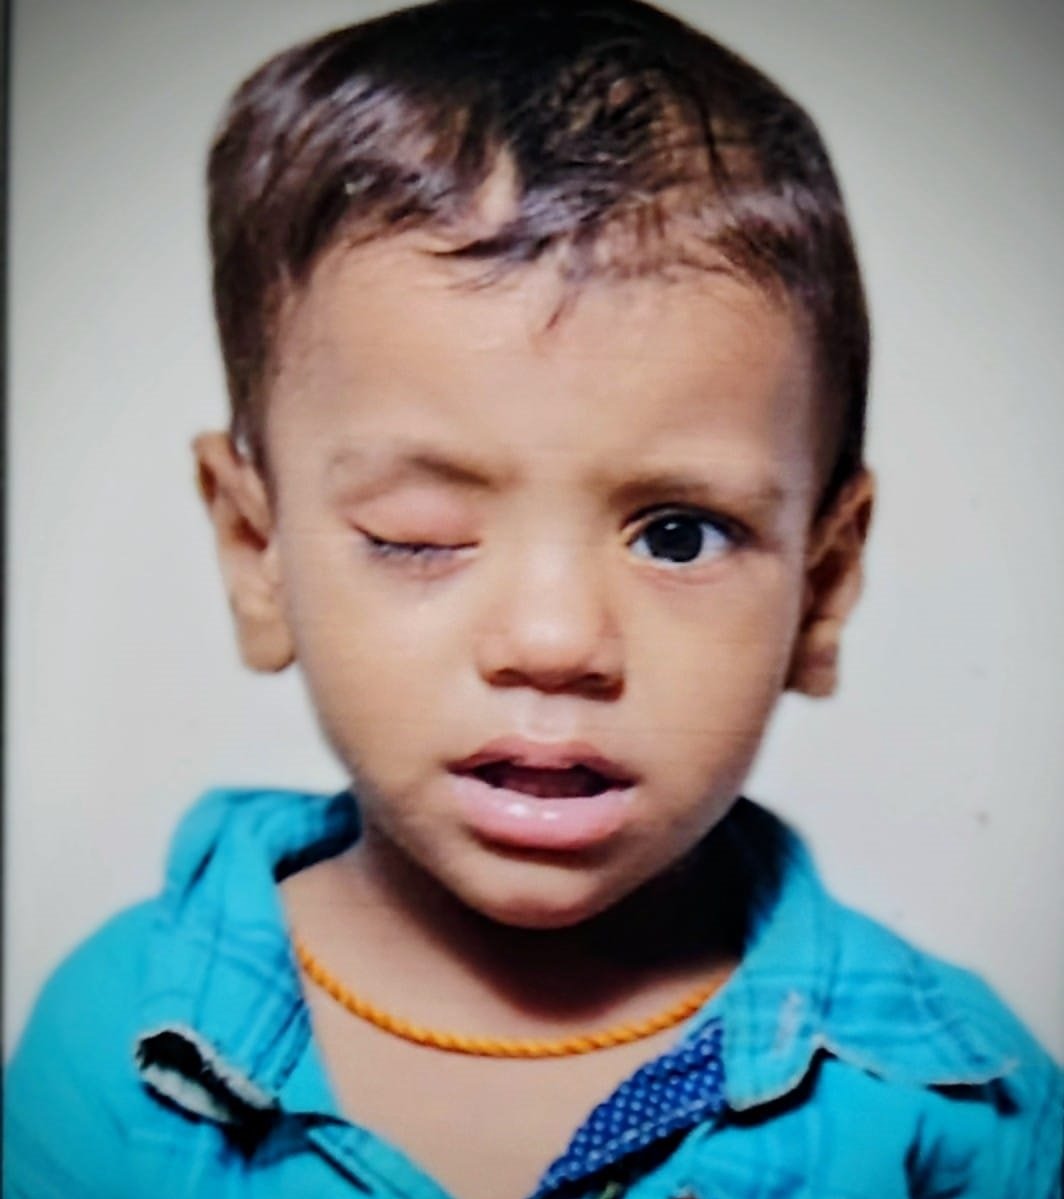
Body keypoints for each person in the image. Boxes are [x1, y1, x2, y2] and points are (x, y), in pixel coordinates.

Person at [6, 1, 1061, 1196]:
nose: (554, 642)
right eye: (418, 536)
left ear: (819, 585)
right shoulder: (114, 1050)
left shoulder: (956, 1106)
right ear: (259, 553)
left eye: (677, 535)